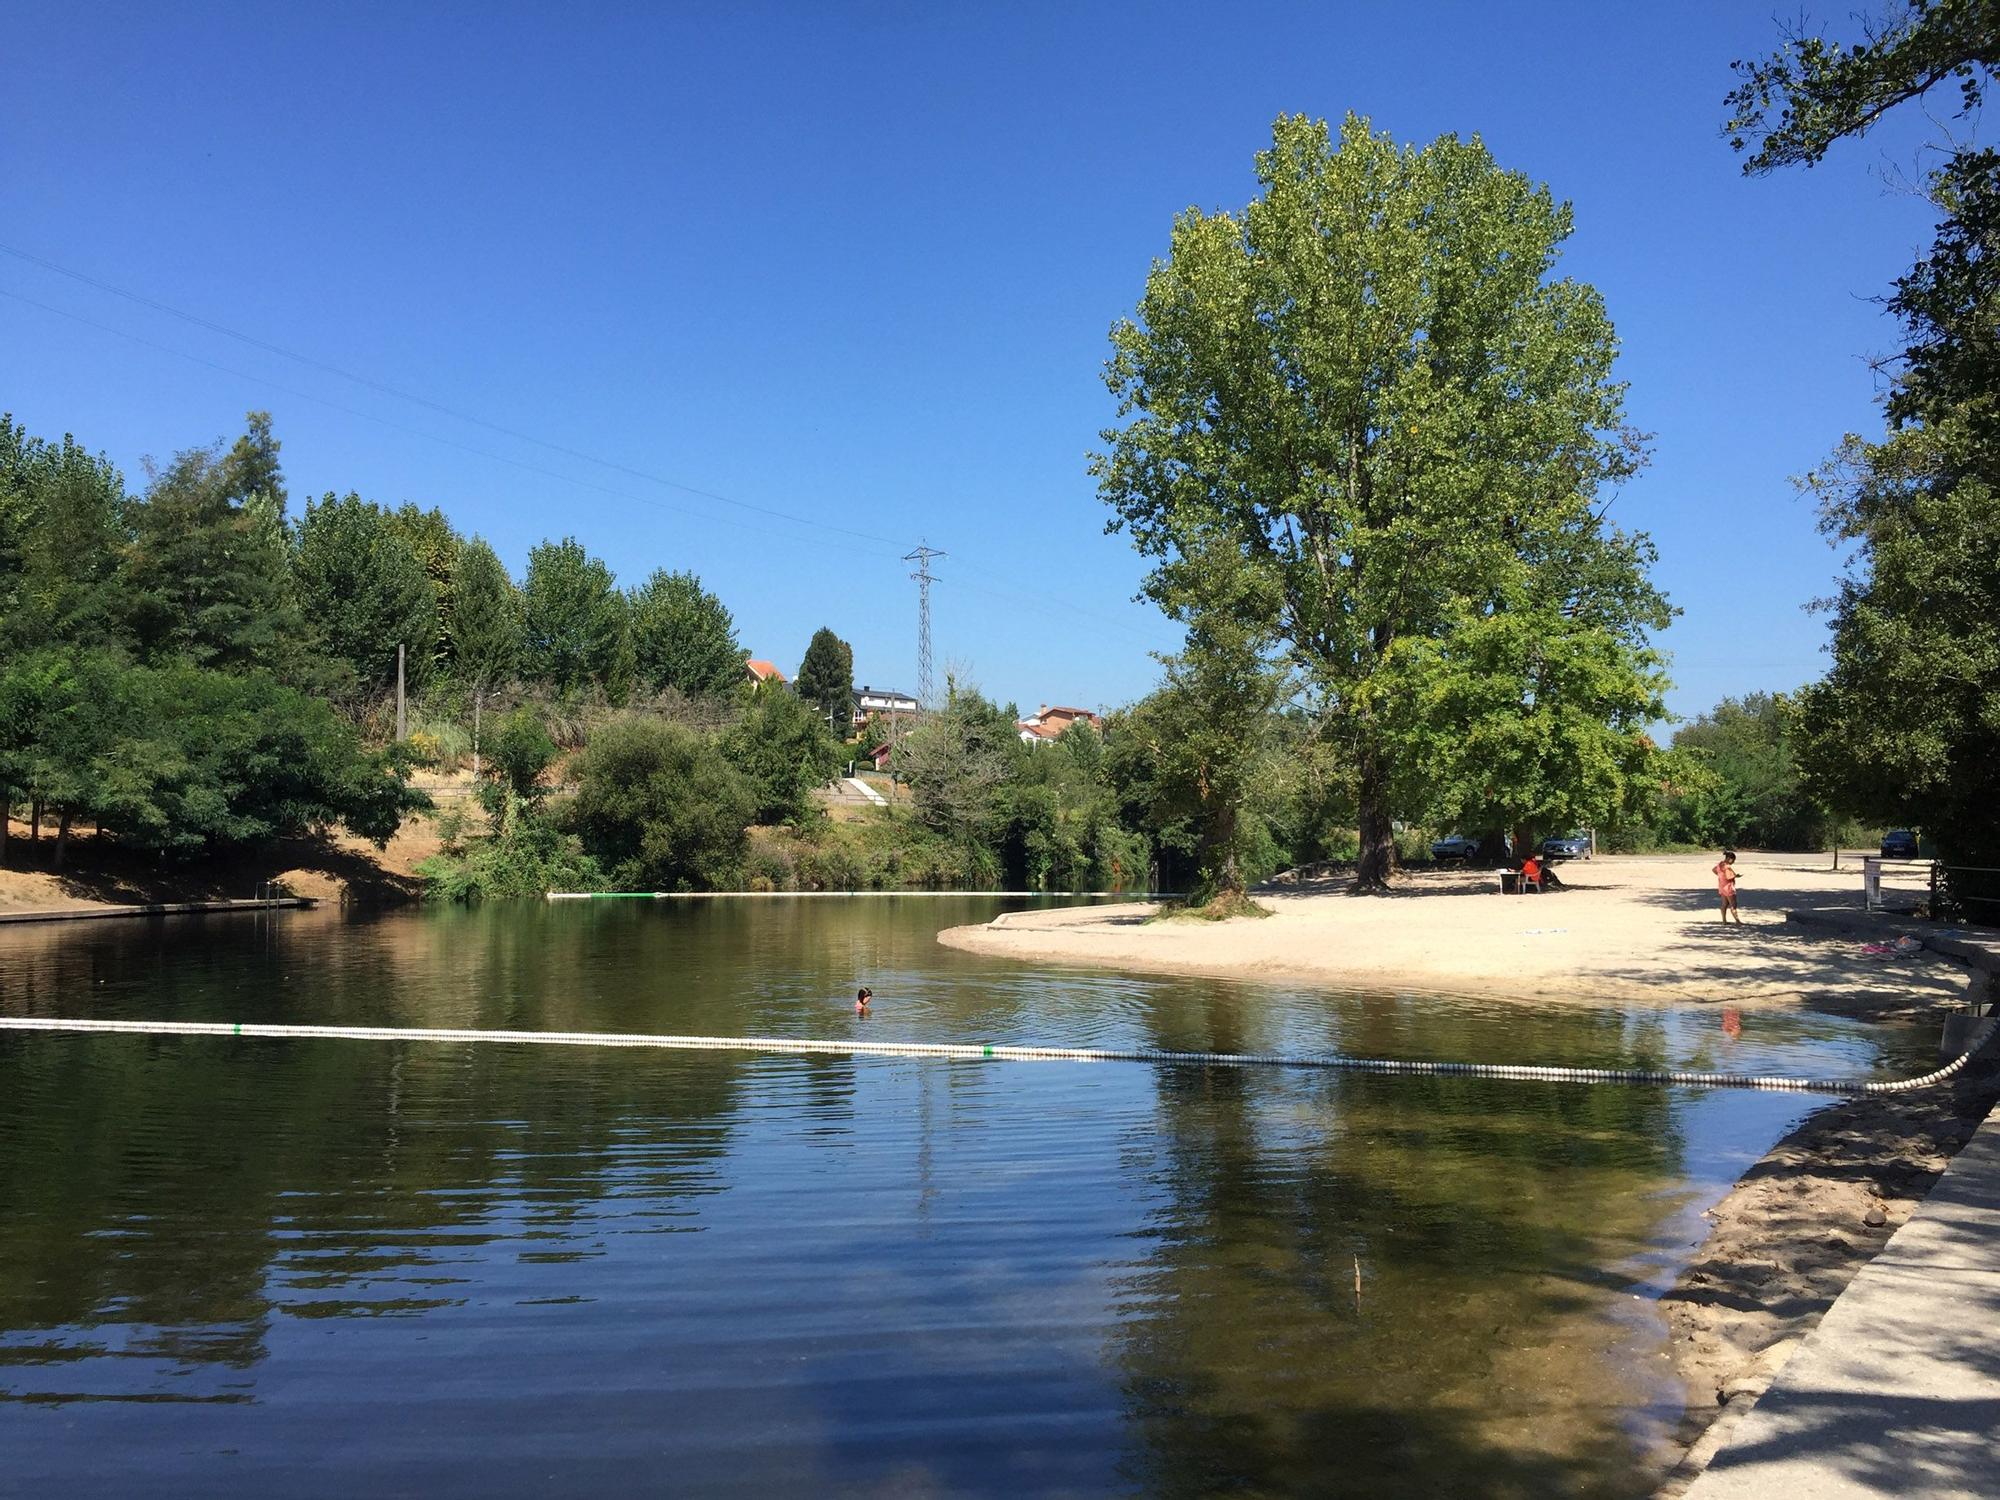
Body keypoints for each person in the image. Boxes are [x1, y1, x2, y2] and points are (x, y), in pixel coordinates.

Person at [1714, 850, 1741, 924]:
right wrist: (1735, 876)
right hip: (1729, 887)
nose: (1733, 862)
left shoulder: (1720, 864)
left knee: (1724, 904)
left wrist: (1720, 876)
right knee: (1733, 905)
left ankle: (1724, 920)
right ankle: (1737, 921)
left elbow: (1714, 870)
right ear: (1730, 859)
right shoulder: (1727, 867)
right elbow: (1728, 877)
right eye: (1733, 860)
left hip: (1722, 887)